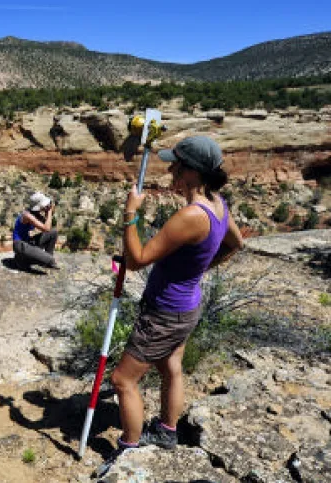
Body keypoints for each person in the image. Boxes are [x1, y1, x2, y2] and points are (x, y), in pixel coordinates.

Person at [104, 136, 244, 467]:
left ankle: (129, 449)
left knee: (122, 380)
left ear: (191, 172)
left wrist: (129, 214)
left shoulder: (192, 216)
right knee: (171, 367)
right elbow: (236, 242)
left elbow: (136, 259)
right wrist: (197, 272)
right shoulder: (218, 204)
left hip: (165, 312)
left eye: (175, 164)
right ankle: (167, 430)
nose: (170, 168)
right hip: (187, 306)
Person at [12, 191, 58, 269]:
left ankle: (47, 258)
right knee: (50, 260)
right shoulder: (27, 215)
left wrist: (48, 211)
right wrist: (49, 211)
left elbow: (48, 226)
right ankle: (21, 259)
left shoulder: (35, 214)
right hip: (19, 245)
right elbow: (46, 228)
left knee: (53, 232)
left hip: (28, 242)